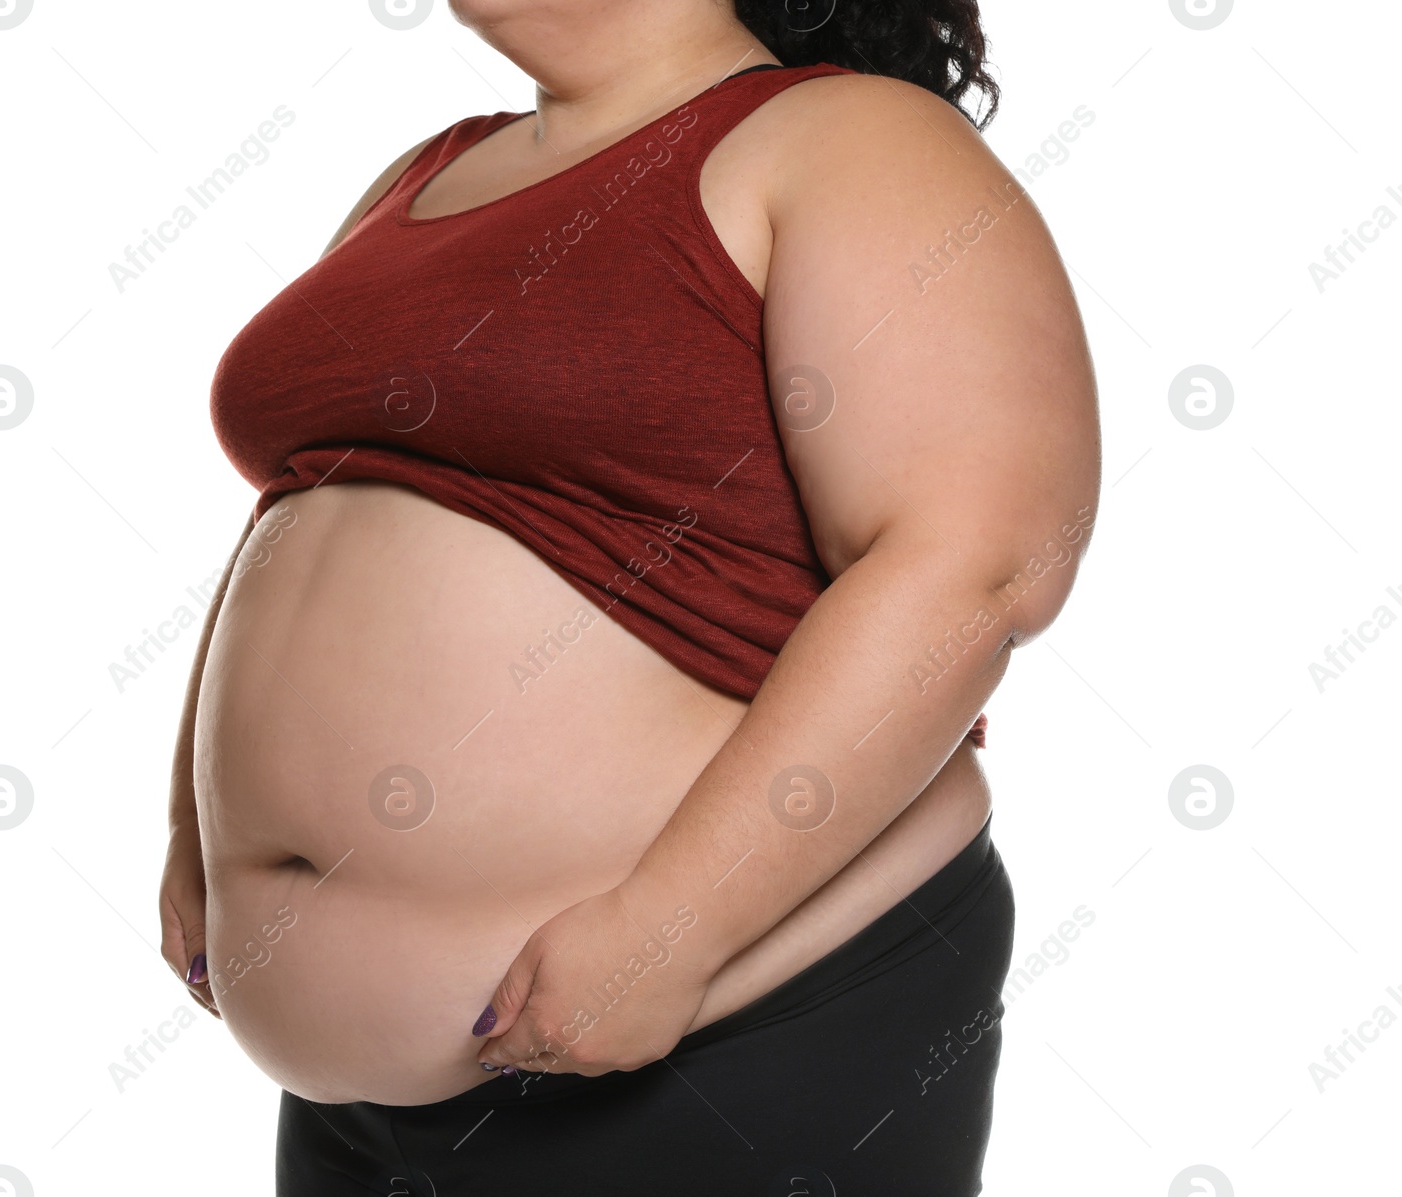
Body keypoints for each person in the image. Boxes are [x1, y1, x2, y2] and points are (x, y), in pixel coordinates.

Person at [159, 1, 1100, 1192]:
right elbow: (309, 499)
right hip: (357, 1111)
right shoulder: (427, 171)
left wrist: (672, 925)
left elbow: (977, 560)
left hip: (733, 1033)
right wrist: (196, 832)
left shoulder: (850, 140)